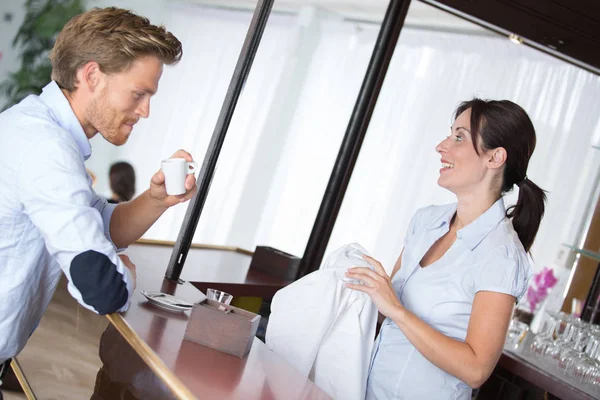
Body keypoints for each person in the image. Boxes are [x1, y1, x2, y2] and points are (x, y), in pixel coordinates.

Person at [0, 7, 197, 389]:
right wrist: (126, 272)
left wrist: (157, 199)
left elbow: (100, 227)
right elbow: (103, 289)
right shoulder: (47, 148)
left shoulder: (39, 129)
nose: (145, 111)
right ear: (91, 75)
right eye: (139, 94)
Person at [345, 99, 546, 399]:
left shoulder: (501, 256)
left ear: (495, 158)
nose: (442, 146)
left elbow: (476, 369)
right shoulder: (425, 221)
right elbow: (386, 313)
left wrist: (397, 311)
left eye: (459, 137)